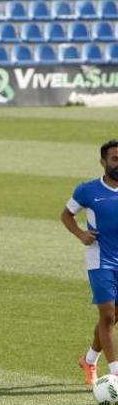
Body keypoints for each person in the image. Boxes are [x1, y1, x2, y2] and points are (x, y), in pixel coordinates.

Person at [63, 139, 118, 386]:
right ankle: (116, 374)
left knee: (114, 316)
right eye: (115, 159)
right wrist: (81, 234)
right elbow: (66, 215)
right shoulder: (88, 190)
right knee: (106, 316)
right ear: (103, 162)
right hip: (101, 261)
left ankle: (89, 359)